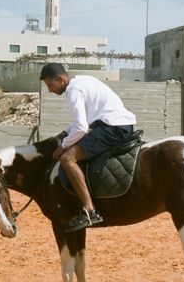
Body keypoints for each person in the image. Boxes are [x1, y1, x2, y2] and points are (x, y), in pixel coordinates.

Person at [39, 62, 137, 231]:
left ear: (61, 79)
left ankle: (90, 211)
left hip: (112, 128)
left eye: (50, 85)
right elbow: (84, 121)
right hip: (118, 125)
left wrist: (63, 145)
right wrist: (63, 134)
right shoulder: (84, 81)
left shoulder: (73, 91)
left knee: (67, 159)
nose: (50, 90)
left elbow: (81, 128)